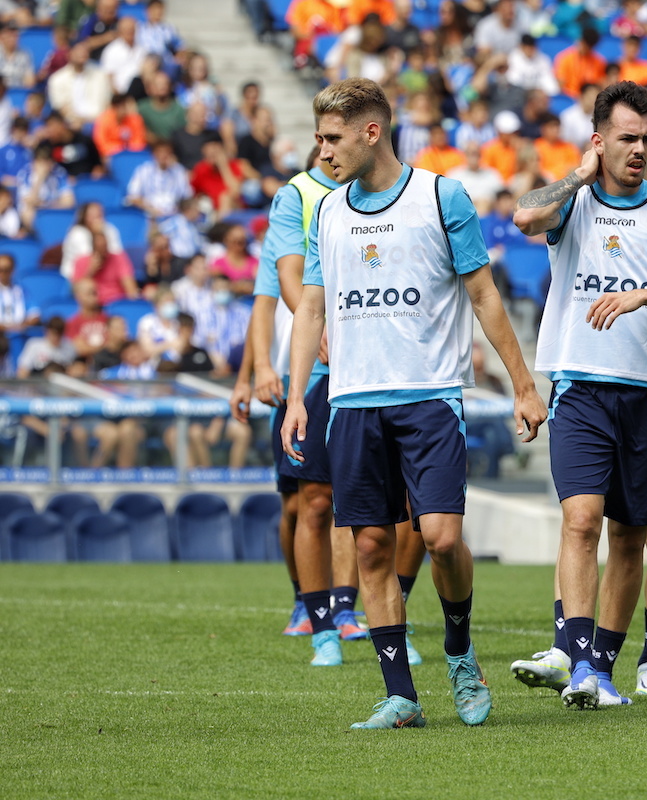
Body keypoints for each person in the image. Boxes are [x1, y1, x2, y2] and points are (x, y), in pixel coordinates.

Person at [282, 78, 546, 729]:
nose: (324, 152)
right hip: (352, 402)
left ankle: (459, 647)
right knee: (371, 546)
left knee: (441, 536)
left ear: (372, 132)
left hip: (430, 397)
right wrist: (295, 397)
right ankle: (401, 694)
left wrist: (523, 382)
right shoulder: (329, 212)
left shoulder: (441, 195)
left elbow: (484, 295)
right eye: (319, 139)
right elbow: (311, 306)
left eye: (333, 138)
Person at [510, 80, 647, 708]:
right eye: (627, 138)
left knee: (630, 535)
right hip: (580, 384)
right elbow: (524, 215)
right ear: (599, 142)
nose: (640, 150)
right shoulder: (572, 203)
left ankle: (599, 669)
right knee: (580, 518)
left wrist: (643, 294)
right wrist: (577, 175)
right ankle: (571, 650)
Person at [230, 145, 378, 663]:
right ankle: (307, 602)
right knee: (303, 500)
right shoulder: (296, 197)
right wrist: (258, 371)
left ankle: (346, 608)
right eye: (325, 137)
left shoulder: (378, 193)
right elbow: (269, 296)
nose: (329, 148)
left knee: (351, 500)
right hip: (308, 370)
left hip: (365, 365)